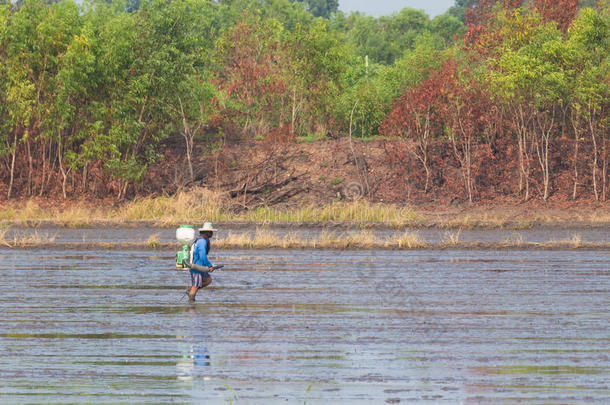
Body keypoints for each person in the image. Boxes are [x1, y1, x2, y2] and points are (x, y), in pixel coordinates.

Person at [187, 222, 217, 302]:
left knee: (208, 280)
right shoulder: (202, 242)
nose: (211, 233)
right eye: (210, 232)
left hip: (201, 267)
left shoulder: (200, 240)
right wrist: (210, 265)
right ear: (207, 233)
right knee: (195, 286)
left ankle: (191, 291)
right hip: (196, 267)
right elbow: (203, 256)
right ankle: (191, 306)